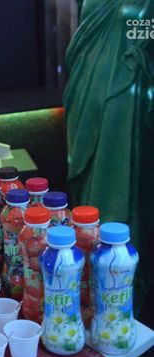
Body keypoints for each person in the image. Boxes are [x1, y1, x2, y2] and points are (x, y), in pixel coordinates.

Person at [63, 0, 154, 313]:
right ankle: (89, 294)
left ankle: (120, 301)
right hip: (86, 87)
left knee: (117, 195)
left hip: (125, 95)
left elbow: (144, 32)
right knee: (86, 192)